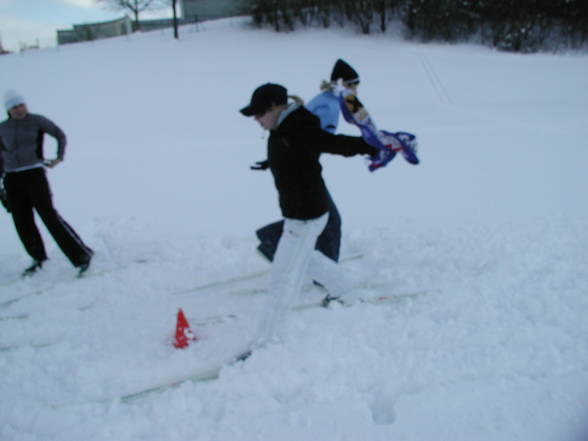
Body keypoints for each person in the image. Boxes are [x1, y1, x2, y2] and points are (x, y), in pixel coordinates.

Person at [239, 83, 396, 354]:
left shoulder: (299, 128)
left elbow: (333, 144)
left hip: (306, 216)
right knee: (304, 258)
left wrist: (370, 146)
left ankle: (266, 344)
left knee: (281, 280)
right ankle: (345, 291)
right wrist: (271, 162)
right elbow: (293, 154)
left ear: (276, 107)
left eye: (259, 113)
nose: (256, 119)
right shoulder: (280, 128)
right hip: (301, 213)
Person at [253, 59, 361, 264]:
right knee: (327, 220)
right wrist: (368, 147)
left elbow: (294, 137)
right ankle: (322, 270)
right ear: (341, 85)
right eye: (352, 85)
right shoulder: (328, 105)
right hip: (302, 173)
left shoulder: (330, 101)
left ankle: (273, 243)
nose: (355, 90)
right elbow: (308, 138)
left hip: (302, 168)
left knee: (312, 219)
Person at [0, 89, 93, 277]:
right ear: (8, 110)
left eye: (21, 105)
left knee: (48, 215)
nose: (19, 109)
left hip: (34, 174)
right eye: (14, 107)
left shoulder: (37, 121)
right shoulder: (3, 128)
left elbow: (59, 134)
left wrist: (59, 157)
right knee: (21, 219)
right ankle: (38, 257)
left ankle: (81, 255)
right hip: (11, 178)